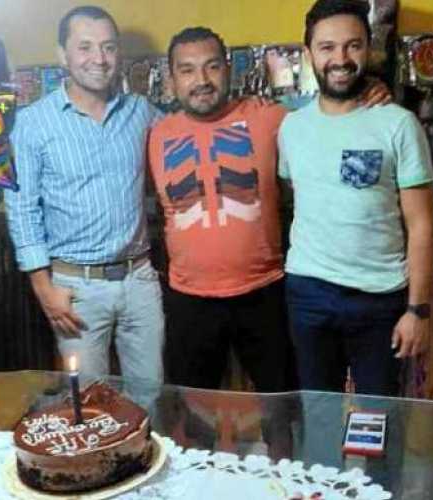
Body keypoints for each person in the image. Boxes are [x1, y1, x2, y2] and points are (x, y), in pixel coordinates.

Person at [147, 27, 389, 396]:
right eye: (187, 70)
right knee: (190, 410)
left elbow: (329, 110)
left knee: (283, 407)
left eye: (212, 66)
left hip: (264, 294)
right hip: (188, 299)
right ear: (171, 78)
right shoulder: (154, 132)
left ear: (229, 68)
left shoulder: (272, 118)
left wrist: (368, 88)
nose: (202, 80)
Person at [278, 0, 433, 397]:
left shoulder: (399, 124)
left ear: (368, 49)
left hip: (379, 298)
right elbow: (296, 196)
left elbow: (422, 224)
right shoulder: (291, 127)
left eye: (353, 45)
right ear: (309, 54)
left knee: (380, 418)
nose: (341, 59)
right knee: (318, 413)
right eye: (327, 47)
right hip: (308, 293)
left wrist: (418, 310)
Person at [4, 5, 164, 387]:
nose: (99, 58)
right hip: (75, 287)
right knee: (90, 403)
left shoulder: (140, 112)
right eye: (85, 47)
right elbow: (22, 208)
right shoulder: (33, 123)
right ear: (63, 55)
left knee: (152, 395)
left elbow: (187, 132)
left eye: (108, 47)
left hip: (140, 279)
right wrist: (44, 288)